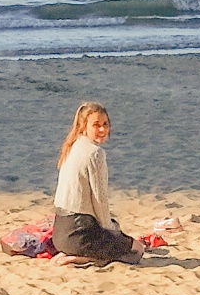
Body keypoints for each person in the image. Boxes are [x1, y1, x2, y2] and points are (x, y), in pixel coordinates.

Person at [51, 102, 145, 266]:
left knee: (116, 234)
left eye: (105, 124)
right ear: (83, 126)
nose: (102, 130)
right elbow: (99, 199)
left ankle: (76, 254)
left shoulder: (72, 146)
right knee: (137, 250)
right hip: (80, 235)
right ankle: (82, 258)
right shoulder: (95, 153)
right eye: (96, 125)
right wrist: (111, 230)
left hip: (60, 235)